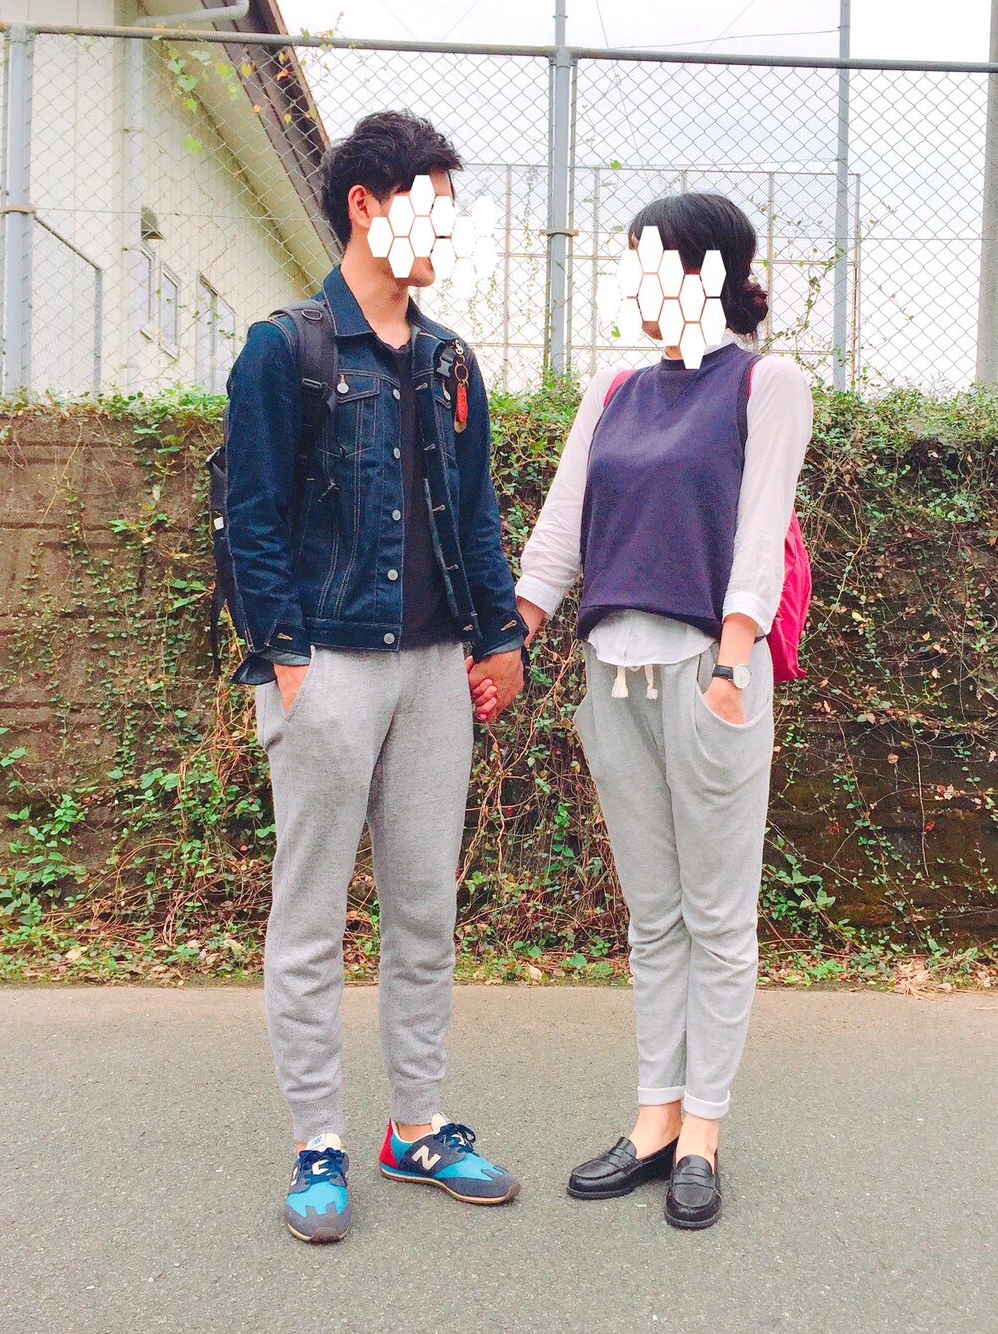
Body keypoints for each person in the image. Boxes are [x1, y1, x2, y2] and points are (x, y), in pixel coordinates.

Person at [475, 192, 812, 1229]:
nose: (633, 283)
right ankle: (654, 1116)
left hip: (709, 671)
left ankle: (703, 1129)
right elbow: (559, 534)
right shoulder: (613, 390)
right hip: (610, 673)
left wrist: (731, 666)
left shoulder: (766, 383)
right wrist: (508, 637)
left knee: (718, 916)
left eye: (648, 261)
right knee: (653, 915)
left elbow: (759, 535)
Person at [225, 111, 527, 1243]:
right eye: (432, 208)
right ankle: (319, 1137)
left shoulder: (451, 361)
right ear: (367, 204)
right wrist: (287, 662)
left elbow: (477, 510)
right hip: (326, 664)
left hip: (437, 667)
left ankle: (415, 1125)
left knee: (424, 909)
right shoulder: (286, 348)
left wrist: (497, 636)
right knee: (309, 916)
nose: (446, 232)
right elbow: (249, 521)